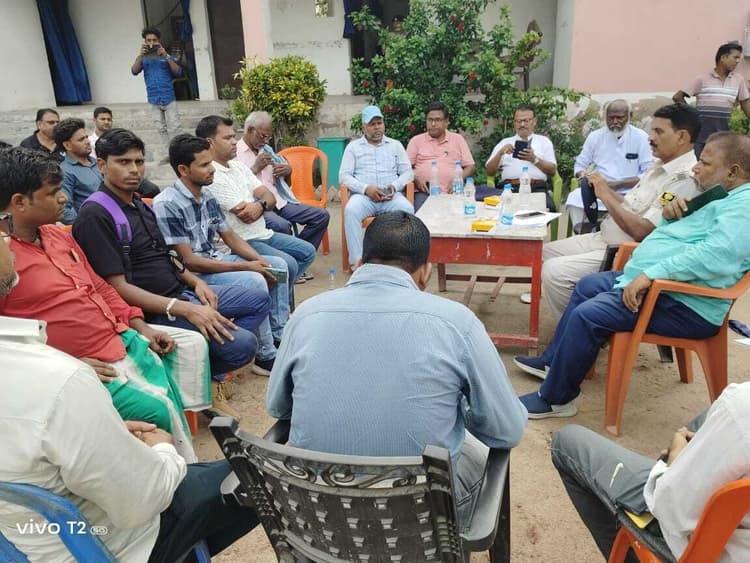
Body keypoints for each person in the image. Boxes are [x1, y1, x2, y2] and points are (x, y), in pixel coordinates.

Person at [0, 231, 260, 563]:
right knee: (253, 477)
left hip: (21, 542)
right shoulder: (58, 379)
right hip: (104, 543)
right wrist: (163, 449)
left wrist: (105, 432)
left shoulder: (42, 375)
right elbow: (142, 501)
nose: (5, 237)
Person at [267, 211, 527, 530]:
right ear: (424, 272)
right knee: (472, 440)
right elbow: (507, 430)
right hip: (422, 518)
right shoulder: (457, 323)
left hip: (320, 511)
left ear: (360, 262)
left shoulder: (306, 314)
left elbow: (278, 407)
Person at [516, 131, 750, 418]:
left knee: (588, 314)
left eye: (705, 163)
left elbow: (715, 256)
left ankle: (556, 399)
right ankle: (553, 363)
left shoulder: (743, 207)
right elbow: (681, 237)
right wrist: (670, 216)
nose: (696, 167)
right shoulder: (719, 196)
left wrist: (651, 275)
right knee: (587, 286)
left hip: (683, 302)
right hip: (661, 285)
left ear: (733, 172)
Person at [0, 147, 210, 459]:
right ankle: (169, 473)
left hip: (115, 338)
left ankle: (178, 457)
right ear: (19, 202)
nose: (64, 198)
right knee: (155, 410)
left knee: (183, 357)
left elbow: (98, 286)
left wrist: (139, 326)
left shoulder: (57, 237)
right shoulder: (4, 260)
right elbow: (7, 342)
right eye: (53, 193)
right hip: (72, 367)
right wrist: (62, 366)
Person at [73, 128, 272, 419]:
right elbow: (116, 288)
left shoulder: (138, 204)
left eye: (139, 161)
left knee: (258, 298)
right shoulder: (95, 214)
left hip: (180, 292)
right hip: (151, 311)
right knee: (243, 345)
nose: (134, 169)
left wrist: (195, 282)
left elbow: (167, 255)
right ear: (102, 165)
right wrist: (186, 309)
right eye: (123, 162)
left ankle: (205, 373)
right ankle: (201, 380)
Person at [525, 103, 701, 327]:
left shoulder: (682, 179)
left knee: (554, 272)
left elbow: (642, 231)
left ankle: (578, 332)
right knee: (541, 254)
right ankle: (576, 328)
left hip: (622, 251)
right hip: (604, 236)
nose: (650, 138)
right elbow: (629, 204)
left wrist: (605, 195)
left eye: (658, 132)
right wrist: (605, 189)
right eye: (651, 131)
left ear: (682, 137)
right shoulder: (658, 165)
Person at [552, 382, 750, 561]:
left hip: (708, 549)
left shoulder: (739, 406)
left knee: (567, 442)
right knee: (702, 421)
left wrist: (675, 460)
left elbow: (670, 509)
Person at [152, 133, 282, 375]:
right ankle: (265, 355)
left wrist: (258, 260)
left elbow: (230, 237)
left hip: (216, 259)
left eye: (210, 162)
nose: (212, 169)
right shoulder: (166, 204)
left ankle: (272, 335)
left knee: (275, 267)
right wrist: (248, 267)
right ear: (183, 170)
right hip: (195, 274)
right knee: (255, 279)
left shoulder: (207, 195)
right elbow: (188, 261)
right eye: (204, 165)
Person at [198, 115, 317, 288]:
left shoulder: (238, 166)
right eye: (227, 138)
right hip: (244, 240)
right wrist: (262, 203)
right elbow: (245, 214)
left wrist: (260, 205)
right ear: (210, 142)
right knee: (286, 264)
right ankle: (277, 294)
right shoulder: (212, 174)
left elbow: (269, 196)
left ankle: (277, 288)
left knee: (308, 252)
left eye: (233, 136)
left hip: (263, 231)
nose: (234, 142)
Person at [236, 111, 330, 275]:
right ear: (250, 130)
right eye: (263, 136)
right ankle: (287, 266)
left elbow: (282, 175)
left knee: (321, 216)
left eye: (269, 137)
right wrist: (255, 168)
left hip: (279, 201)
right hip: (258, 205)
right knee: (281, 225)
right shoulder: (235, 153)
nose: (266, 141)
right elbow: (235, 185)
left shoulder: (266, 150)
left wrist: (287, 170)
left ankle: (297, 261)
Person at [340, 105, 414, 268]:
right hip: (364, 197)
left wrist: (394, 186)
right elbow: (344, 176)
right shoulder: (353, 147)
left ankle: (403, 262)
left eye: (379, 123)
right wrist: (366, 189)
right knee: (351, 210)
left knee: (407, 210)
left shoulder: (395, 145)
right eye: (372, 124)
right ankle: (357, 264)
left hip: (391, 197)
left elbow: (408, 173)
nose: (377, 128)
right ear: (363, 127)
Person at [566, 100, 652, 228]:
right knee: (575, 197)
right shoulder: (595, 137)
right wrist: (584, 176)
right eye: (611, 118)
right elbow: (580, 164)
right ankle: (579, 232)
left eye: (619, 118)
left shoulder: (641, 138)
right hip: (598, 191)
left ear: (630, 116)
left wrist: (618, 185)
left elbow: (648, 173)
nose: (615, 122)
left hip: (631, 192)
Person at [674, 42, 750, 157]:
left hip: (723, 138)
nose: (738, 61)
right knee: (698, 165)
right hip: (700, 137)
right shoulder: (702, 79)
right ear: (723, 58)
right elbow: (677, 97)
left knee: (719, 166)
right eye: (735, 57)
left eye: (739, 58)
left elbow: (746, 104)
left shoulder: (738, 80)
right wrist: (692, 114)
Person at [484, 104, 558, 211]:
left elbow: (552, 171)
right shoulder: (505, 143)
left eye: (526, 121)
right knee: (497, 209)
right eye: (518, 121)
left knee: (547, 208)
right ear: (514, 123)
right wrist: (500, 153)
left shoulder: (544, 142)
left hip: (536, 188)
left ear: (534, 121)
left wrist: (534, 159)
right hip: (510, 189)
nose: (522, 124)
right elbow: (489, 172)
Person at [406, 101, 475, 211]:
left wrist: (458, 179)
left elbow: (470, 166)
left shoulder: (457, 139)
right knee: (423, 216)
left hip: (453, 191)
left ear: (446, 121)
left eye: (437, 120)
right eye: (430, 120)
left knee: (457, 215)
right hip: (424, 192)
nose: (433, 124)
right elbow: (405, 168)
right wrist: (416, 178)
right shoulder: (416, 141)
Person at [131, 27, 182, 159]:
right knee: (160, 128)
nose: (151, 43)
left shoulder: (166, 55)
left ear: (159, 41)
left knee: (175, 128)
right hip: (153, 99)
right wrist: (140, 55)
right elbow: (134, 71)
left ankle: (179, 154)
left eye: (154, 40)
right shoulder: (142, 58)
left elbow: (178, 72)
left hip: (169, 97)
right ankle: (167, 154)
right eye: (148, 40)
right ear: (145, 42)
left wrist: (166, 56)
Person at [55, 117, 102, 224]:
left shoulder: (97, 162)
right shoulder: (65, 171)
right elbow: (65, 209)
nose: (87, 142)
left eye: (86, 137)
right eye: (81, 140)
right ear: (67, 145)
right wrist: (82, 227)